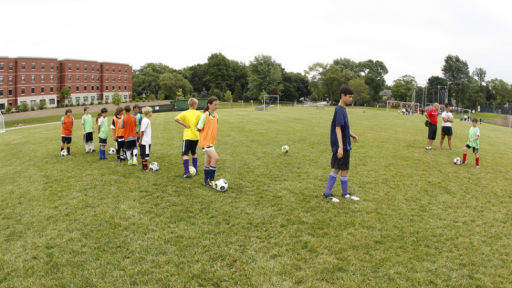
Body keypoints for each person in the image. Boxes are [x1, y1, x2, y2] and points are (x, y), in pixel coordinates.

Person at [323, 86, 360, 202]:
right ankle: (328, 193)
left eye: (352, 97)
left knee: (344, 169)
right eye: (349, 97)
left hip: (345, 144)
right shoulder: (339, 109)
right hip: (342, 145)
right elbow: (338, 128)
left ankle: (345, 194)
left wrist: (352, 135)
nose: (351, 99)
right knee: (337, 169)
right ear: (342, 95)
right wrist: (340, 147)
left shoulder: (342, 109)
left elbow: (344, 128)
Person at [175, 98, 202, 178]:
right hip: (196, 136)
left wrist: (184, 125)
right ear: (194, 105)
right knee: (194, 153)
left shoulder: (185, 113)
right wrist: (197, 125)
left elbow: (176, 119)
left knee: (185, 154)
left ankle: (187, 172)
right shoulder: (198, 113)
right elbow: (203, 121)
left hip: (187, 137)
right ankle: (196, 169)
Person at [197, 97, 220, 188]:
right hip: (206, 141)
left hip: (211, 141)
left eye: (217, 104)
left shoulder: (216, 115)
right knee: (216, 158)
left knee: (208, 160)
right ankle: (211, 180)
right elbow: (199, 128)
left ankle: (206, 181)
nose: (216, 106)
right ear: (209, 105)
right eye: (215, 105)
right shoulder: (204, 116)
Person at [139, 107, 153, 172]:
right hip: (146, 141)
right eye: (151, 112)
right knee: (145, 155)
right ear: (148, 113)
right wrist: (140, 139)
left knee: (143, 154)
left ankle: (143, 167)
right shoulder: (146, 121)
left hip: (145, 140)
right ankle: (145, 168)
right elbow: (142, 131)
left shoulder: (145, 119)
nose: (151, 113)